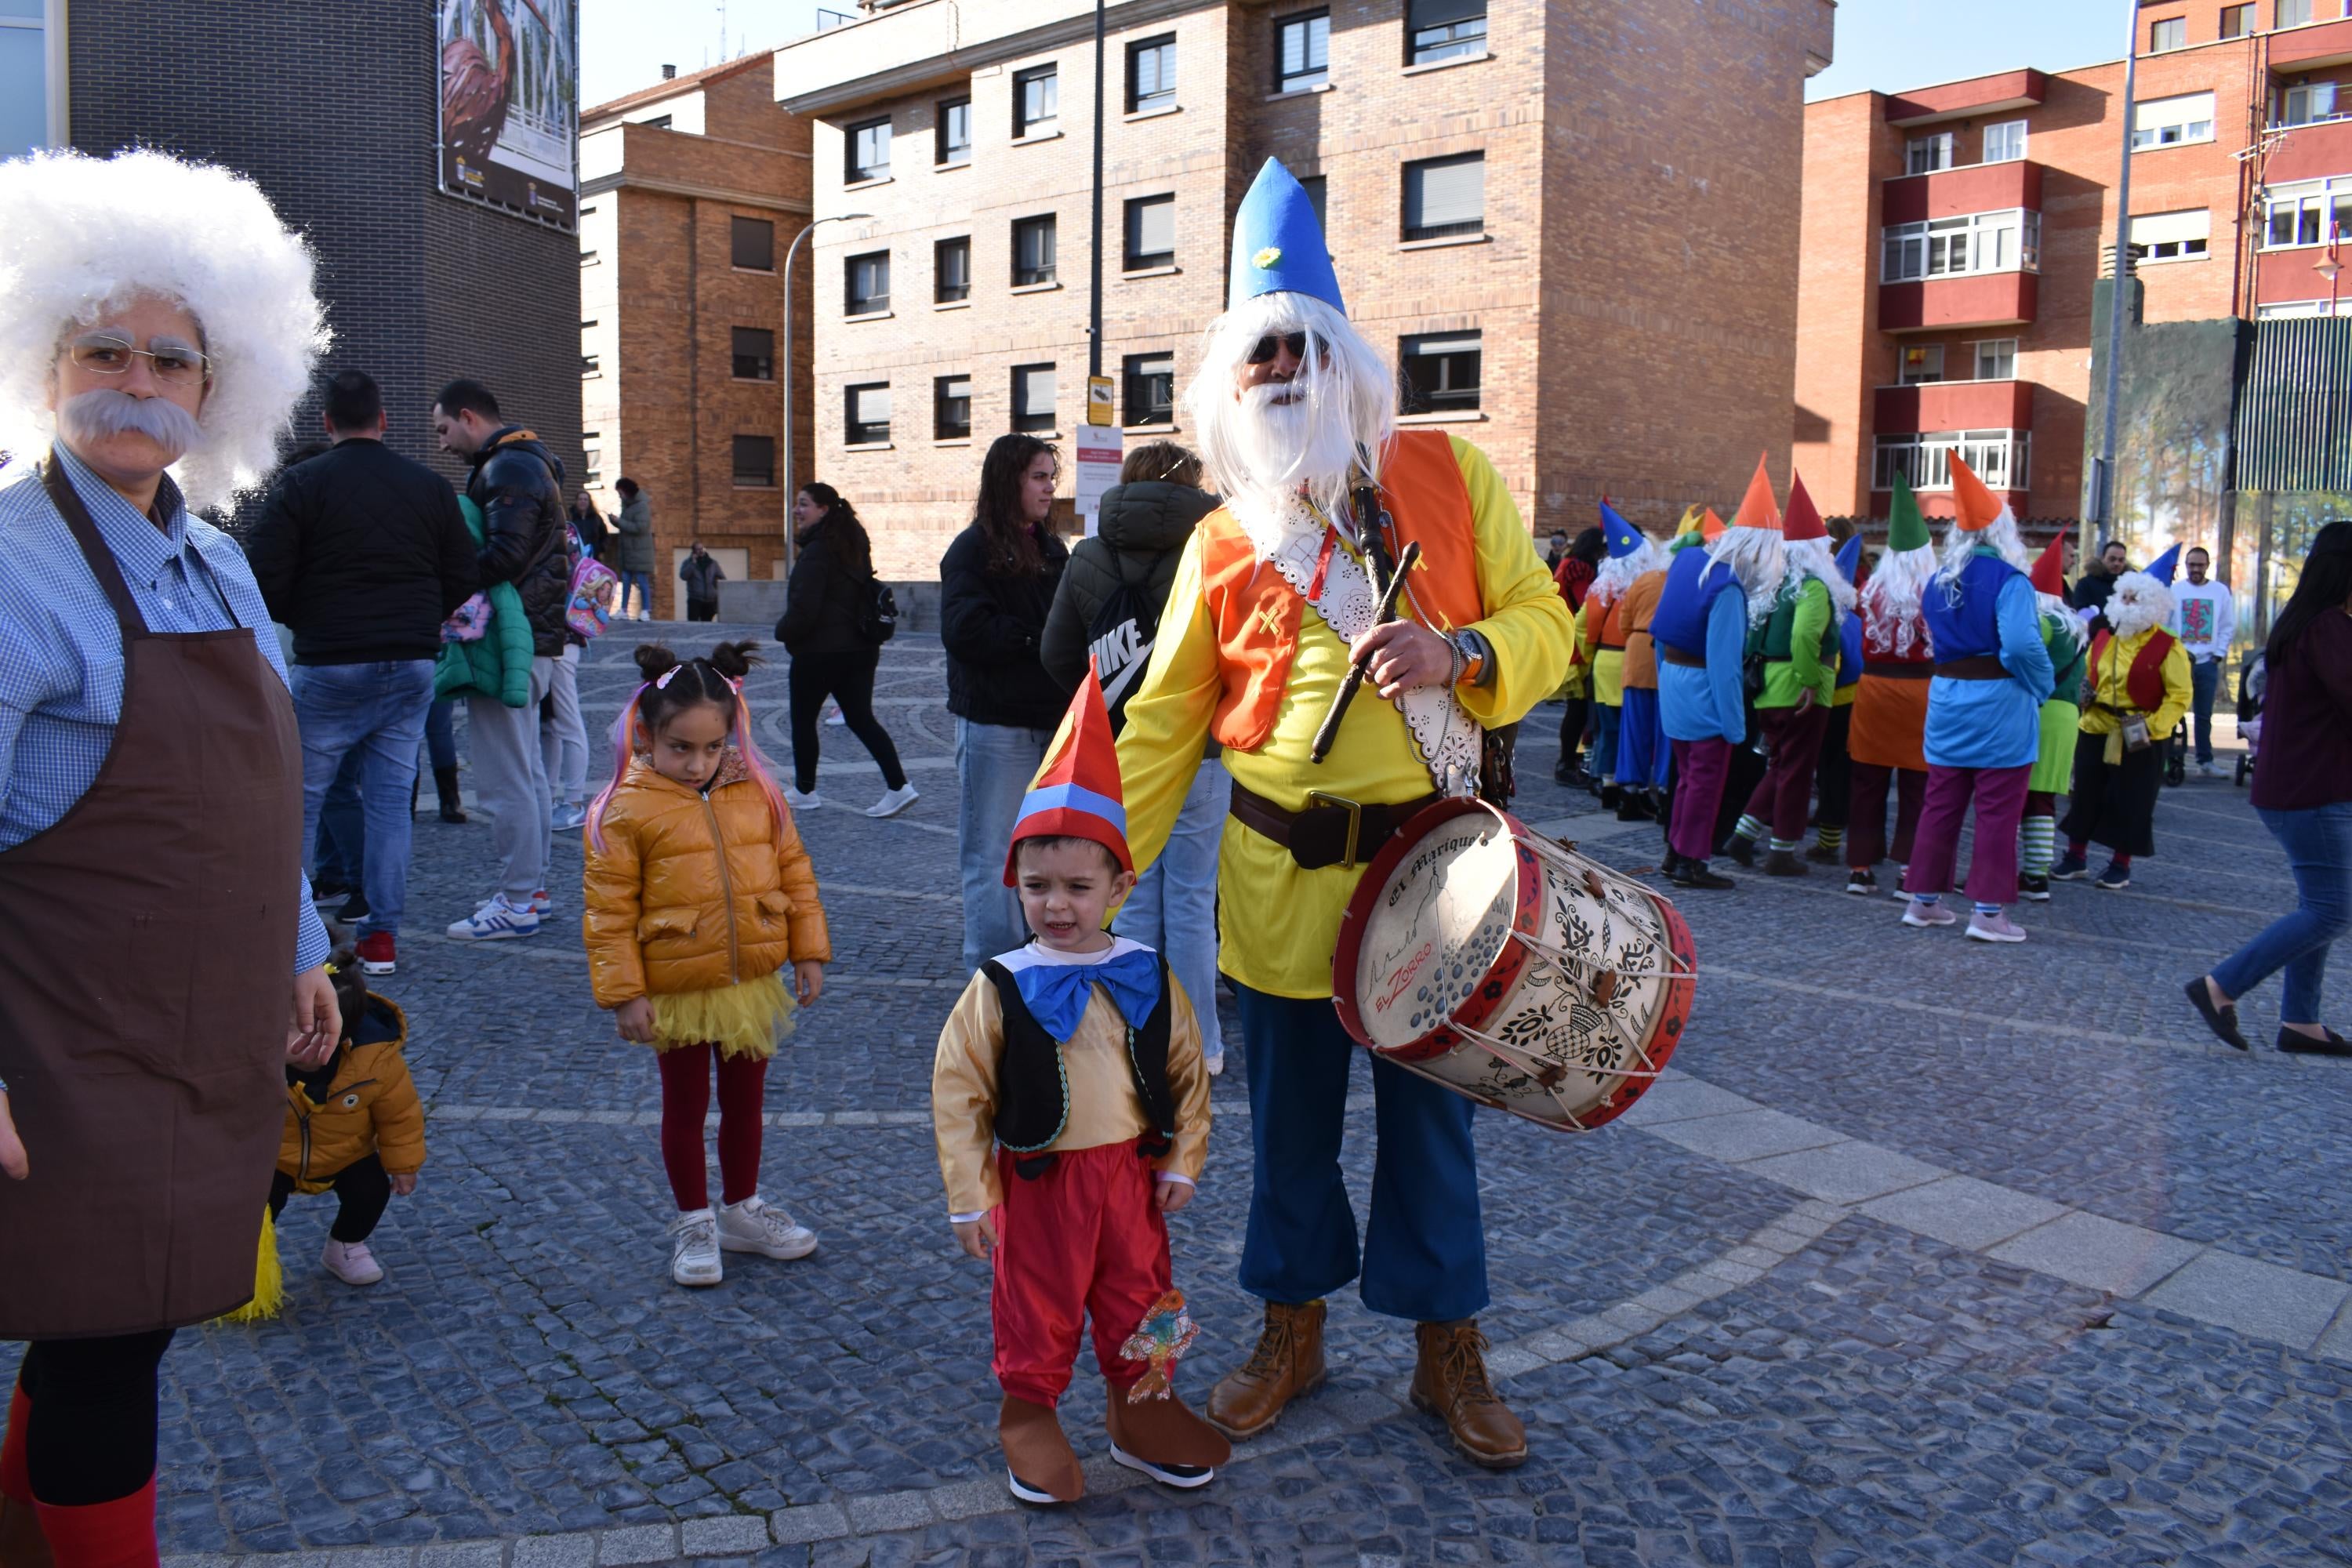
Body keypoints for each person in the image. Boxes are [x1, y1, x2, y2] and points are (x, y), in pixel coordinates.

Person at [1112, 160, 1573, 1468]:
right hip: (1277, 889)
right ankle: (1291, 1328)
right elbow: (1159, 731)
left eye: (1299, 346)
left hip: (1437, 882)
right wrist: (1085, 862)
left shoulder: (1452, 477)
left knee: (1435, 1129)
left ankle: (1446, 1353)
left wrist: (1463, 655)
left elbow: (1550, 621)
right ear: (1226, 379)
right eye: (1255, 354)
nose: (1279, 371)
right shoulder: (1218, 541)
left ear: (1345, 356)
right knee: (1291, 1136)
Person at [0, 147, 340, 1567]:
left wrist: (306, 946)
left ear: (219, 392)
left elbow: (261, 787)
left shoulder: (222, 559)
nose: (138, 379)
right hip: (66, 1034)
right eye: (105, 347)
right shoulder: (9, 562)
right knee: (103, 1337)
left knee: (124, 1325)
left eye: (173, 359)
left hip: (205, 1030)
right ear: (45, 358)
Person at [932, 670, 1224, 1504]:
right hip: (1041, 1183)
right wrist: (967, 1192)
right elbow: (959, 1092)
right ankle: (1029, 1415)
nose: (1055, 904)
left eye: (1077, 886)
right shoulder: (1000, 983)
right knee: (1040, 1301)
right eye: (1037, 886)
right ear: (1012, 884)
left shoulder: (1146, 972)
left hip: (1130, 1176)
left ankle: (1146, 1408)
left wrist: (1183, 1160)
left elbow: (1184, 1072)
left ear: (1121, 888)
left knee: (1144, 1292)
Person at [583, 641, 832, 1287]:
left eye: (713, 747)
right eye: (680, 748)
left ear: (731, 734)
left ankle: (741, 1209)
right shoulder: (626, 808)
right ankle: (694, 1220)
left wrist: (807, 948)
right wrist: (624, 993)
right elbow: (608, 911)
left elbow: (795, 871)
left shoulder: (758, 793)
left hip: (749, 979)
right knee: (686, 1107)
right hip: (677, 986)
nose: (698, 764)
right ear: (646, 734)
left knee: (747, 1103)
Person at [249, 368, 478, 977]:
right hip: (409, 664)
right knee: (387, 805)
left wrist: (310, 617)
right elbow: (463, 571)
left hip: (329, 662)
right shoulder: (429, 487)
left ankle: (290, 941)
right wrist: (419, 617)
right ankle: (381, 939)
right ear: (383, 421)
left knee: (299, 803)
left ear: (327, 424)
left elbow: (260, 577)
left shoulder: (302, 484)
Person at [1041, 441, 1228, 1074]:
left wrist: (1106, 705)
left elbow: (1055, 653)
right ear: (1193, 485)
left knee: (1133, 895)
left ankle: (1139, 1041)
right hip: (1201, 751)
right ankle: (1204, 1043)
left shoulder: (1088, 554)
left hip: (1118, 751)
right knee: (1196, 901)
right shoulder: (1214, 548)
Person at [2188, 520, 2352, 1055]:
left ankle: (2301, 1022)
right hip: (2313, 790)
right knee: (2330, 910)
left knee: (2319, 905)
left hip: (2301, 786)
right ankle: (2222, 986)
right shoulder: (2327, 627)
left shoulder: (2304, 623)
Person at [432, 378, 571, 942]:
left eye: (443, 429)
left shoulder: (507, 468)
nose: (441, 443)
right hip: (532, 639)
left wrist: (443, 575)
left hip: (509, 641)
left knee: (506, 779)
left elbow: (504, 556)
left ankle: (516, 903)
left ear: (469, 417)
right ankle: (529, 892)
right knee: (529, 774)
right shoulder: (527, 463)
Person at [1901, 456, 2053, 942]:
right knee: (1997, 809)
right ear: (2003, 532)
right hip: (2000, 707)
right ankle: (1988, 914)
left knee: (1940, 803)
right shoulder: (2011, 581)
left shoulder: (1937, 582)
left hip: (1947, 701)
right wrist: (2042, 683)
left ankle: (1923, 901)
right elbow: (2022, 645)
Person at [942, 434, 1073, 973]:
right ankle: (993, 973)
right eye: (1038, 477)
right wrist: (1033, 639)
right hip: (996, 727)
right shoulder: (972, 550)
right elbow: (964, 629)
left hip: (1049, 724)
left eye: (1050, 476)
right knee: (993, 853)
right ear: (1009, 481)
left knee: (1042, 853)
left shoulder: (1051, 549)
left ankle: (1034, 958)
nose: (1049, 488)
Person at [1655, 459, 1783, 890]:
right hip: (1701, 691)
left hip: (1673, 683)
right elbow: (1725, 667)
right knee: (1705, 782)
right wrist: (1735, 725)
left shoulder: (1687, 560)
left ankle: (1676, 852)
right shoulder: (1727, 586)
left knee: (1686, 777)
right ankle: (1692, 860)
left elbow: (1661, 632)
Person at [273, 950, 426, 1287]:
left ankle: (345, 1245)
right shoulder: (253, 1061)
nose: (291, 1041)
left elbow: (400, 1115)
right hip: (274, 1158)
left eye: (304, 1032)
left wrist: (404, 1163)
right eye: (284, 1027)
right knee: (250, 1205)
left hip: (348, 1153)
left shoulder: (375, 1062)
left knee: (370, 1192)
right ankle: (248, 1259)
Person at [1722, 476, 1850, 876]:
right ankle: (1782, 851)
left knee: (1780, 765)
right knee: (1796, 770)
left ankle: (1742, 836)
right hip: (1800, 689)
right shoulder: (1812, 587)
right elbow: (1805, 634)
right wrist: (1811, 680)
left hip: (1766, 686)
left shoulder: (1770, 584)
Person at [779, 481, 918, 817]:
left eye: (804, 504)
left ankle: (805, 791)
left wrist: (783, 632)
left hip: (820, 651)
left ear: (823, 510)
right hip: (860, 647)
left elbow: (804, 607)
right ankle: (900, 787)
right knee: (860, 718)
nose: (797, 510)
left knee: (803, 720)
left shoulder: (817, 551)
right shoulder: (853, 543)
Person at [2053, 557, 2191, 891]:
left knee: (2132, 798)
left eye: (2135, 599)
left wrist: (2154, 727)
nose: (2127, 604)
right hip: (2097, 725)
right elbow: (2088, 673)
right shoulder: (2103, 637)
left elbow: (2179, 695)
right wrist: (2084, 694)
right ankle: (2075, 857)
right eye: (2124, 597)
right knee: (2085, 792)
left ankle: (2121, 864)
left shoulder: (2168, 645)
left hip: (2141, 730)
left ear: (2153, 605)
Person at [1842, 477, 1936, 897]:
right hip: (1921, 695)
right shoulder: (1935, 590)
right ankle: (1908, 871)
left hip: (1874, 692)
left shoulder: (1870, 589)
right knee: (1917, 786)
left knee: (1867, 781)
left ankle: (1860, 868)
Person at [2017, 536, 2087, 902]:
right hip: (2066, 715)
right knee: (2043, 797)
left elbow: (2021, 655)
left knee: (2017, 794)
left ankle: (2020, 874)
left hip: (2039, 711)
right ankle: (2037, 876)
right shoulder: (2075, 627)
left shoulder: (2042, 622)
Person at [1591, 503, 1670, 819]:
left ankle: (1628, 795)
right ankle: (1663, 794)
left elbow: (1621, 624)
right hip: (1664, 656)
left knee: (1630, 730)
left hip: (1633, 654)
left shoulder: (1639, 582)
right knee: (1663, 732)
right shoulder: (1672, 580)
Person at [1806, 532, 1866, 865]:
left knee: (1831, 772)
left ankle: (1828, 841)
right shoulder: (1856, 620)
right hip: (1858, 704)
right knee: (1842, 772)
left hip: (1834, 703)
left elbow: (1836, 664)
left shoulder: (1833, 620)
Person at [2173, 545, 2236, 776]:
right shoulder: (2175, 591)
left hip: (2207, 662)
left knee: (2203, 715)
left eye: (2200, 565)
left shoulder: (2220, 592)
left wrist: (2218, 654)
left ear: (2208, 566)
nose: (2195, 569)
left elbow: (2227, 625)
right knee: (2173, 712)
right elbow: (2168, 625)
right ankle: (2172, 758)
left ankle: (2205, 760)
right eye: (2191, 565)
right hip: (2180, 662)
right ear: (2185, 566)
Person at [1551, 525, 1604, 785]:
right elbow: (1586, 604)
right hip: (1578, 645)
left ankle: (1567, 762)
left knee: (1576, 709)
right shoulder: (1580, 570)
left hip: (1566, 638)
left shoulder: (1567, 563)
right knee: (1578, 710)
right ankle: (1566, 763)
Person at [612, 476, 656, 621]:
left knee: (642, 581)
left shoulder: (641, 506)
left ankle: (645, 610)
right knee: (625, 580)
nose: (619, 496)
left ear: (626, 491)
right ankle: (623, 609)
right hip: (629, 551)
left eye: (620, 492)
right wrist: (615, 522)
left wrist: (621, 522)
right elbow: (628, 526)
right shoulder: (628, 505)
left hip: (639, 552)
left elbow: (640, 527)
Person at [2074, 536, 2129, 635]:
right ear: (2103, 558)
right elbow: (2081, 613)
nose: (2117, 563)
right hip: (2095, 638)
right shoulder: (2085, 584)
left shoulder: (2130, 585)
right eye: (2112, 559)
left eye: (2121, 560)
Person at [681, 540, 724, 622]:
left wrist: (714, 587)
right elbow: (683, 576)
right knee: (693, 623)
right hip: (695, 599)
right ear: (694, 551)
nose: (701, 551)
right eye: (698, 549)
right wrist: (693, 564)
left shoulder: (713, 563)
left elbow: (722, 578)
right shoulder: (688, 563)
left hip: (710, 601)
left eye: (702, 548)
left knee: (707, 624)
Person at [570, 488, 611, 561]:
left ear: (589, 502)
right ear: (576, 501)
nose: (583, 501)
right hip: (575, 559)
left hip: (593, 558)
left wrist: (601, 550)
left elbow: (605, 536)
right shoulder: (570, 517)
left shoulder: (596, 518)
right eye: (580, 499)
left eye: (586, 500)